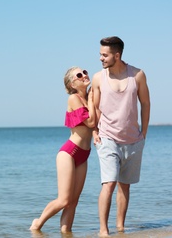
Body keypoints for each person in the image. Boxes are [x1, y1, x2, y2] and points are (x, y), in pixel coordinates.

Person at [91, 36, 151, 236]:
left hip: (133, 140)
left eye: (104, 55)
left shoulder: (137, 75)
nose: (101, 58)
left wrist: (144, 133)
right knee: (108, 183)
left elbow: (146, 103)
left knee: (125, 186)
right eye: (100, 54)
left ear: (117, 55)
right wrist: (94, 131)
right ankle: (103, 230)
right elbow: (95, 107)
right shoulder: (99, 78)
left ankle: (120, 228)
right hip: (108, 138)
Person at [30, 66, 96, 233]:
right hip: (69, 153)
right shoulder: (74, 99)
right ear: (72, 84)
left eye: (85, 72)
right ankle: (37, 224)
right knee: (64, 200)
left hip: (84, 155)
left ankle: (66, 233)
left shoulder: (90, 97)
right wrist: (94, 100)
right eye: (79, 75)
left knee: (74, 201)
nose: (84, 76)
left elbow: (95, 125)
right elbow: (90, 122)